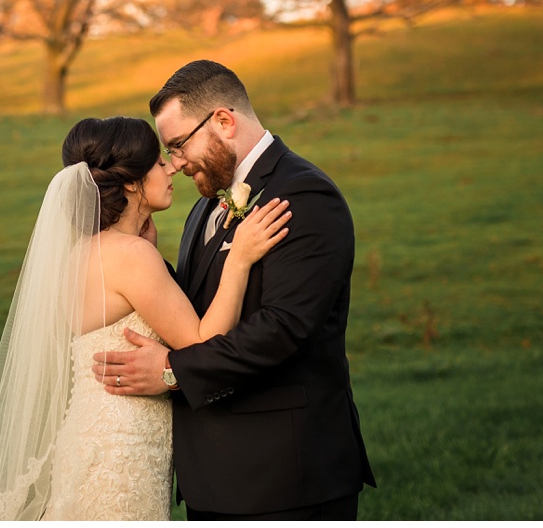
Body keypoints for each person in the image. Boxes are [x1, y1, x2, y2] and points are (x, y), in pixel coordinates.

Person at [0, 116, 291, 520]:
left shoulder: (80, 255)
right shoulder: (132, 258)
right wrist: (239, 258)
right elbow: (206, 344)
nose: (172, 167)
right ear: (132, 183)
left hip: (87, 436)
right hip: (124, 449)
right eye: (157, 162)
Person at [91, 59, 377, 519]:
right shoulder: (203, 208)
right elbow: (194, 313)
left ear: (223, 121)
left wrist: (172, 371)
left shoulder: (303, 196)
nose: (176, 164)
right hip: (213, 478)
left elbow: (284, 329)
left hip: (284, 477)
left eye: (179, 145)